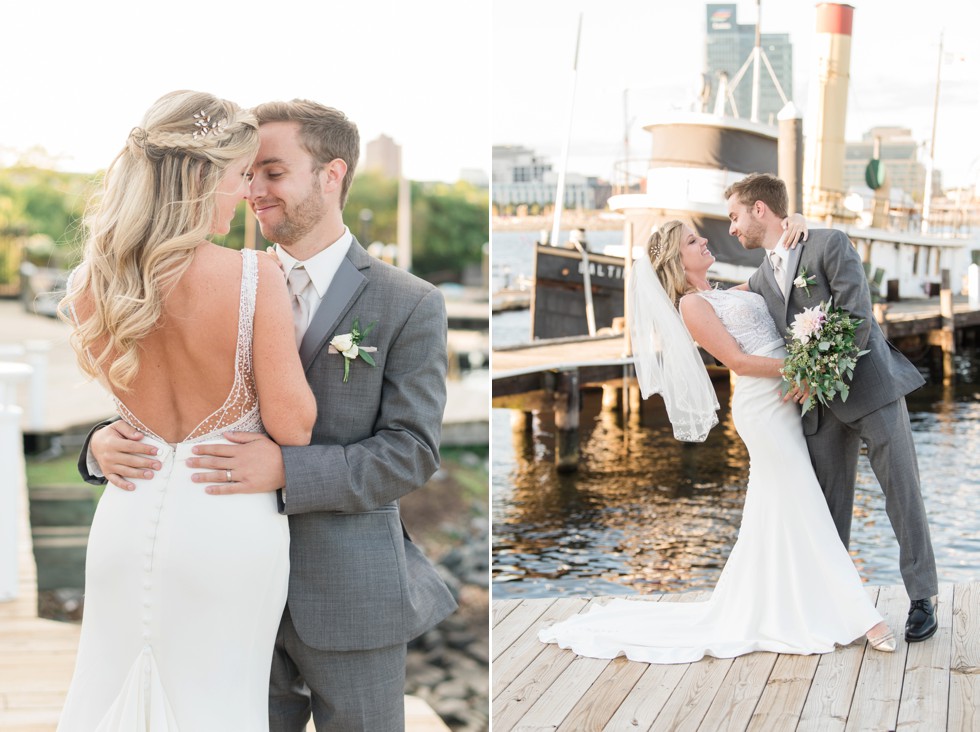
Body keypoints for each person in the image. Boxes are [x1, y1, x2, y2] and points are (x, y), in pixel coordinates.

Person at [79, 99, 457, 731]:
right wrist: (97, 447)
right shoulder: (211, 277)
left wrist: (288, 469)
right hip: (221, 590)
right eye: (245, 173)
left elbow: (412, 450)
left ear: (331, 175)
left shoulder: (408, 302)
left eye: (272, 172)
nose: (252, 189)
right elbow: (149, 400)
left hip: (347, 589)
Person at [58, 90, 317, 730]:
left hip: (127, 510)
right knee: (218, 704)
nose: (244, 195)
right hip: (226, 522)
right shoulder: (254, 276)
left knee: (108, 692)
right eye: (238, 177)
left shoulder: (95, 281)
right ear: (203, 179)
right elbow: (295, 425)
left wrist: (96, 446)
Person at [539, 220, 896, 663]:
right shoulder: (692, 306)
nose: (705, 240)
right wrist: (802, 372)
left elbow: (777, 270)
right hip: (764, 409)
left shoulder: (728, 290)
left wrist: (796, 223)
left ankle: (785, 603)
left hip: (786, 402)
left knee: (776, 511)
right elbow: (740, 363)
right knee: (806, 502)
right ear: (676, 260)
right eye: (693, 240)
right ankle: (865, 618)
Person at [725, 173, 938, 643]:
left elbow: (858, 318)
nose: (732, 228)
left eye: (735, 216)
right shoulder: (760, 279)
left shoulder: (828, 244)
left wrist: (813, 376)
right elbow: (720, 304)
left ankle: (923, 598)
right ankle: (837, 607)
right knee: (827, 513)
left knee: (902, 493)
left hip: (870, 387)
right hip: (818, 410)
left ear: (760, 210)